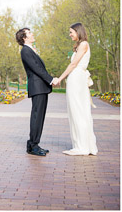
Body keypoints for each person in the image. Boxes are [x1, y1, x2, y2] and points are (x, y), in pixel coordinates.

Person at [54, 22, 98, 155]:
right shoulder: (80, 45)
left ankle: (82, 147)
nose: (70, 35)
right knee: (76, 111)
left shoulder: (84, 44)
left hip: (77, 79)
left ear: (78, 31)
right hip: (77, 78)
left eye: (71, 32)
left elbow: (73, 64)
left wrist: (59, 78)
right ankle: (83, 145)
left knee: (78, 110)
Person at [16, 27, 59, 157]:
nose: (32, 34)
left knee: (38, 117)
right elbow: (37, 69)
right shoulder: (25, 51)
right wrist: (51, 80)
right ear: (24, 38)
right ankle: (33, 145)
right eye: (29, 33)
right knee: (37, 117)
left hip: (40, 88)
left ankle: (32, 144)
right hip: (37, 88)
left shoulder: (30, 50)